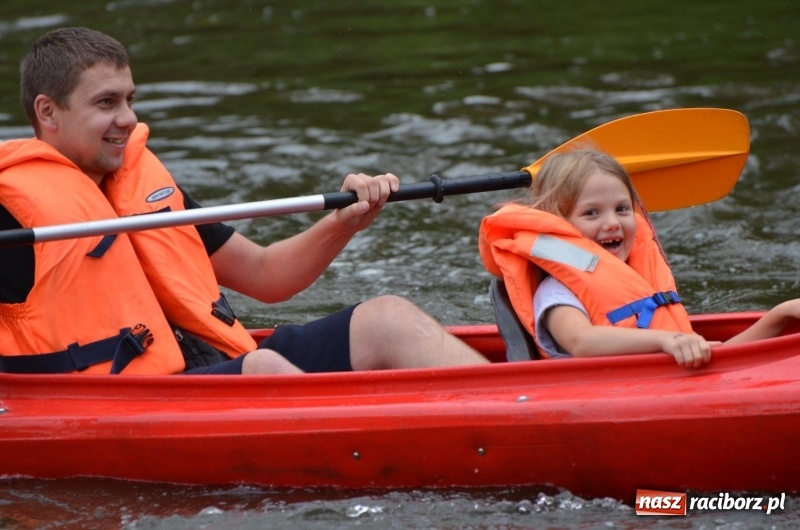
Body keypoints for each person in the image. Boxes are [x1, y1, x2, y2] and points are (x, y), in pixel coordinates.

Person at [0, 27, 489, 375]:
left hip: (214, 365)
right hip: (134, 399)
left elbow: (265, 276)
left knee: (386, 318)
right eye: (106, 103)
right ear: (48, 112)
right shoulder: (13, 212)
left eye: (130, 99)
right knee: (264, 366)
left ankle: (515, 409)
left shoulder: (143, 186)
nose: (128, 118)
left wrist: (345, 222)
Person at [479, 148, 800, 367]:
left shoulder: (640, 282)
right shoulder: (558, 291)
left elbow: (715, 359)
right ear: (560, 224)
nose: (612, 222)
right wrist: (665, 340)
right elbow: (581, 341)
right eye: (591, 213)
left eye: (622, 208)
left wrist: (779, 316)